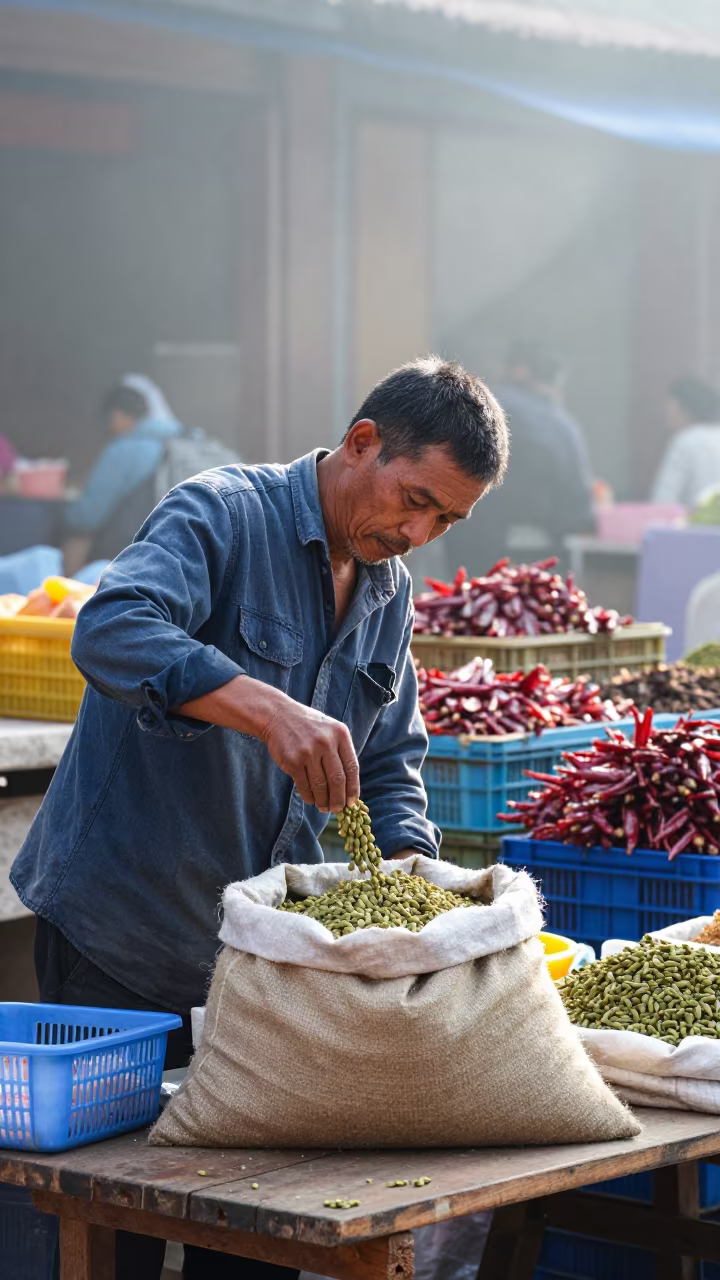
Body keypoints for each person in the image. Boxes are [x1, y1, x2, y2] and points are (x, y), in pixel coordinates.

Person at [12, 356, 508, 1280]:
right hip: (122, 937)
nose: (417, 530)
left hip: (258, 973)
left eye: (444, 519)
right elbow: (112, 627)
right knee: (99, 1228)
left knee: (252, 1228)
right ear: (362, 443)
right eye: (413, 499)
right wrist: (266, 707)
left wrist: (409, 871)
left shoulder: (386, 593)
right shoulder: (222, 514)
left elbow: (392, 757)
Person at [440, 339, 594, 574]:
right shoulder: (563, 424)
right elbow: (579, 504)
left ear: (519, 371)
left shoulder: (482, 403)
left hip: (473, 541)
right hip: (539, 555)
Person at [63, 374, 182, 573]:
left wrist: (60, 511)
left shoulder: (127, 448)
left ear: (117, 414)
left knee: (77, 536)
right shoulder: (185, 439)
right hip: (181, 542)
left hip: (134, 549)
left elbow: (87, 516)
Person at [651, 374, 720, 509]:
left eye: (669, 407)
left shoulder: (685, 442)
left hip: (694, 527)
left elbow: (663, 502)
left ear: (677, 406)